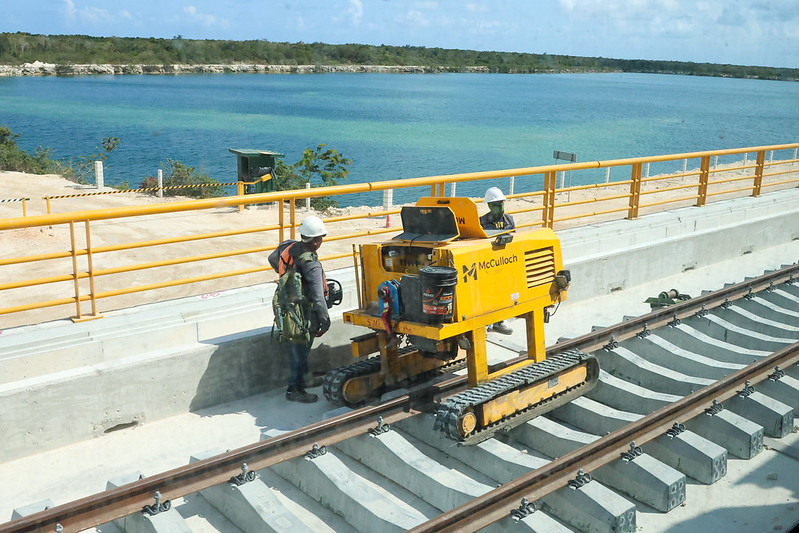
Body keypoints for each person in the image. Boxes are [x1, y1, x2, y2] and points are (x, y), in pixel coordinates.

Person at [268, 215, 331, 403]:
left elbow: (272, 258)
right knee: (300, 349)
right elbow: (319, 296)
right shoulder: (310, 263)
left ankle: (304, 379)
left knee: (298, 348)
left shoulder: (288, 246)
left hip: (287, 307)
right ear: (316, 241)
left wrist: (287, 277)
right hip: (303, 313)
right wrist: (325, 321)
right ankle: (294, 390)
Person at [480, 187, 515, 335]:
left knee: (504, 291)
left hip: (505, 261)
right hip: (488, 263)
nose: (499, 207)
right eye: (495, 204)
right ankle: (487, 322)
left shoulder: (509, 220)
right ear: (489, 205)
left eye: (501, 203)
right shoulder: (482, 222)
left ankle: (501, 320)